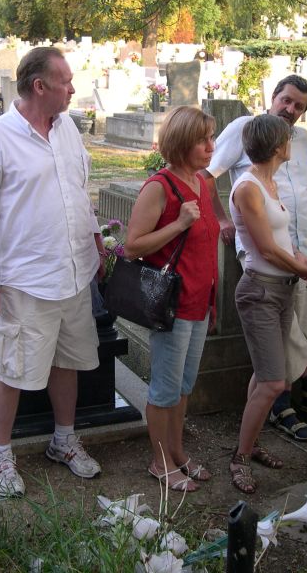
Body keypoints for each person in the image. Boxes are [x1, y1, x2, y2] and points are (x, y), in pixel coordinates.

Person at [0, 47, 105, 497]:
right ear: (39, 86)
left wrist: (94, 236)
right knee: (11, 369)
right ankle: (0, 454)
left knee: (68, 361)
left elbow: (78, 188)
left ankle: (63, 440)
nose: (73, 89)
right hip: (25, 278)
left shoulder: (67, 129)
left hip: (73, 271)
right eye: (65, 81)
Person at [202, 74, 307, 443]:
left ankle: (293, 390)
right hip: (263, 248)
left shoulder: (301, 139)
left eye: (299, 105)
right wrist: (221, 219)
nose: (290, 109)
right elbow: (207, 175)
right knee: (282, 331)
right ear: (273, 97)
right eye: (286, 100)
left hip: (302, 244)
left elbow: (304, 184)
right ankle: (286, 398)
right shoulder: (246, 128)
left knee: (299, 325)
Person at [124, 106, 219, 492]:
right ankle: (159, 460)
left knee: (183, 386)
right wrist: (179, 223)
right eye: (202, 140)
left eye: (212, 138)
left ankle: (177, 451)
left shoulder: (202, 183)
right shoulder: (159, 187)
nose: (211, 147)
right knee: (165, 388)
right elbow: (132, 246)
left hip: (200, 303)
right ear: (180, 143)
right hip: (173, 306)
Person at [228, 114, 307, 494]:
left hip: (280, 289)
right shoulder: (248, 187)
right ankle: (239, 458)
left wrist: (302, 260)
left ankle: (249, 444)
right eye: (288, 138)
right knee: (273, 382)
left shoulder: (270, 182)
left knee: (264, 375)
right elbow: (266, 249)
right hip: (261, 292)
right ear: (278, 146)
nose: (291, 143)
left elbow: (283, 240)